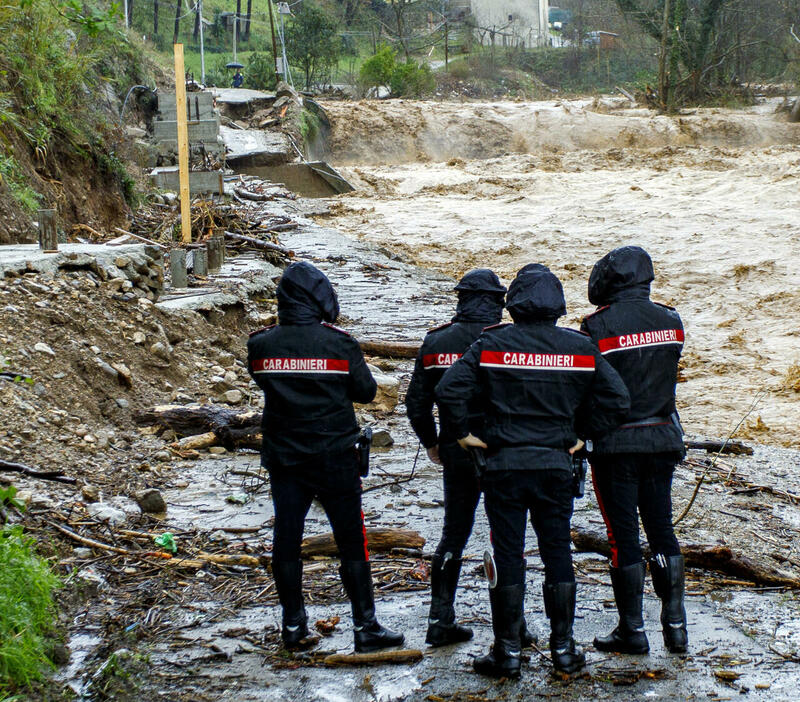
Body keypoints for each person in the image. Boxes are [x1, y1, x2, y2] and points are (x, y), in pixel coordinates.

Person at [435, 265, 630, 678]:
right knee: (557, 550)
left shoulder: (491, 344)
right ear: (557, 305)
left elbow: (448, 389)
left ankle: (506, 653)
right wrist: (584, 434)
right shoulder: (579, 347)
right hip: (555, 465)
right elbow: (617, 398)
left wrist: (462, 434)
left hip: (503, 466)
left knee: (508, 553)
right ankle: (564, 650)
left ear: (513, 304)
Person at [247, 261, 404, 654]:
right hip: (335, 455)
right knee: (352, 540)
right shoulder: (339, 343)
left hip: (285, 458)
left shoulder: (261, 344)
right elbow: (367, 392)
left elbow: (262, 380)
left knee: (286, 538)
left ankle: (293, 627)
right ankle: (365, 626)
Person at [580, 246, 689, 655]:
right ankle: (676, 629)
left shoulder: (596, 329)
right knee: (662, 528)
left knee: (621, 534)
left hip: (616, 445)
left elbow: (592, 392)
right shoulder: (672, 321)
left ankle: (632, 629)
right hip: (663, 437)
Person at [404, 269, 507, 647]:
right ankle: (512, 628)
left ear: (460, 299)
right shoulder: (508, 341)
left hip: (455, 450)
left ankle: (440, 619)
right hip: (502, 449)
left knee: (453, 535)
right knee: (506, 539)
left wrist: (432, 442)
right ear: (499, 302)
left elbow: (416, 404)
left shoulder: (436, 342)